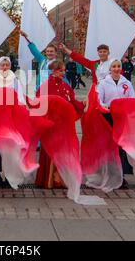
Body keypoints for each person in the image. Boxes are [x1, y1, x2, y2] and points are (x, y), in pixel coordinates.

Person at [35, 61, 85, 189]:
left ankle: (61, 179)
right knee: (50, 151)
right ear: (54, 71)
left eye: (64, 70)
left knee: (64, 151)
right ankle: (48, 178)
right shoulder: (45, 86)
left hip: (64, 126)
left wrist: (83, 104)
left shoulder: (66, 86)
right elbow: (38, 105)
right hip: (51, 125)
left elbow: (73, 101)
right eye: (61, 70)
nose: (63, 73)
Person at [0, 57, 26, 186]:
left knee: (10, 147)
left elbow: (20, 99)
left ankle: (10, 175)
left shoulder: (15, 81)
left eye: (7, 65)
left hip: (11, 118)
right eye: (2, 65)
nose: (5, 67)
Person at [97, 59, 135, 188]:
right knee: (109, 146)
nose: (116, 69)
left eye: (118, 66)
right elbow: (99, 100)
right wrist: (107, 107)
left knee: (120, 147)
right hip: (107, 117)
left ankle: (120, 176)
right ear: (109, 69)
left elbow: (133, 99)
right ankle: (107, 175)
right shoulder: (103, 83)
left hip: (122, 118)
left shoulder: (127, 83)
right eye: (113, 66)